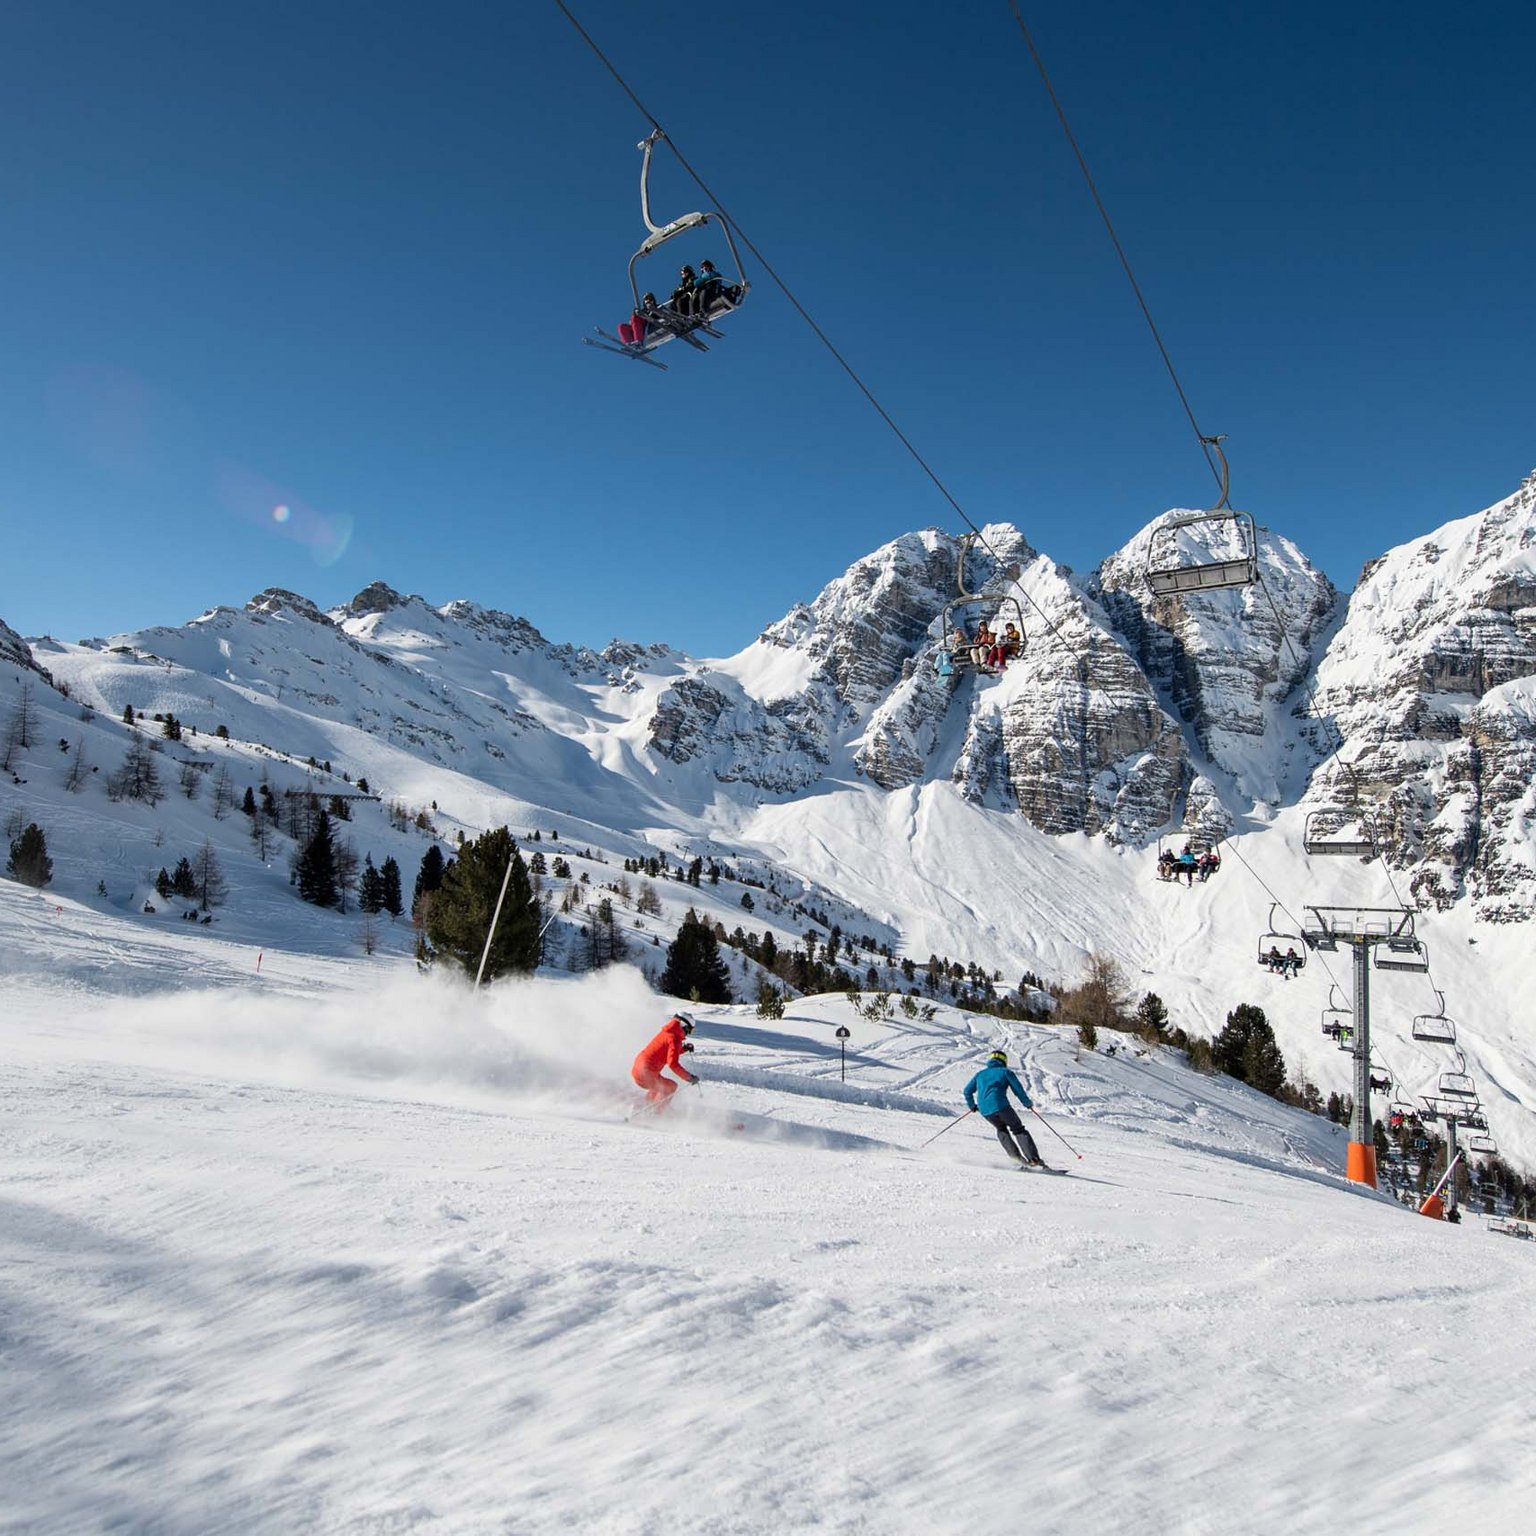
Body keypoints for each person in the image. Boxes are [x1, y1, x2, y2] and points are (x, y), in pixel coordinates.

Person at [963, 1049, 1046, 1169]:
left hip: (985, 1111)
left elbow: (967, 1091)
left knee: (1001, 1129)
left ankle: (1017, 1160)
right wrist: (1027, 1103)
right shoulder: (1005, 1072)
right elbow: (1018, 1089)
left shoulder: (980, 1074)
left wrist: (972, 1106)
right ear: (1004, 1060)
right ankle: (1034, 1160)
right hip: (1001, 1106)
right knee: (1018, 1129)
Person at [632, 1012, 699, 1110]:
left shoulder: (668, 1032)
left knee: (660, 1085)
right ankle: (655, 1113)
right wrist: (689, 1077)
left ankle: (645, 1105)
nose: (688, 1033)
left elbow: (668, 1051)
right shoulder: (675, 1039)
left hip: (639, 1069)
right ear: (684, 1026)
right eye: (690, 1030)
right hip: (646, 1073)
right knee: (670, 1087)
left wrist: (684, 1048)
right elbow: (673, 1064)